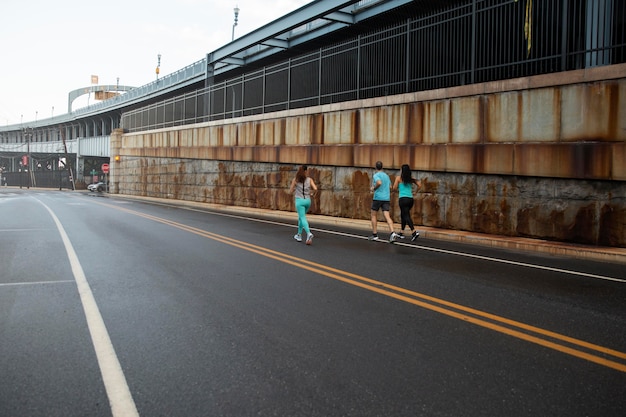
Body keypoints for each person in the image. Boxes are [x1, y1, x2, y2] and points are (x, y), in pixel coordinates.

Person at [369, 161, 398, 243]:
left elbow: (379, 182)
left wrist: (374, 188)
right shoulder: (386, 176)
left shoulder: (376, 175)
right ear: (382, 167)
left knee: (373, 215)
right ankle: (392, 232)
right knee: (387, 215)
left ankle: (375, 235)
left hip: (378, 197)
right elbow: (390, 186)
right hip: (386, 198)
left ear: (375, 167)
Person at [290, 165, 318, 245]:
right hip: (307, 201)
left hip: (299, 201)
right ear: (306, 171)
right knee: (301, 218)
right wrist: (312, 193)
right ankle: (299, 235)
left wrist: (295, 189)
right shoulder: (309, 180)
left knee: (302, 217)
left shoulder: (295, 180)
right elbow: (315, 188)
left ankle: (308, 233)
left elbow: (291, 191)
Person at [392, 164, 421, 241]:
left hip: (403, 199)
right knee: (403, 214)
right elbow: (419, 185)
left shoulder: (398, 178)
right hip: (410, 199)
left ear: (402, 170)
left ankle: (414, 232)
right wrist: (415, 192)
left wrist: (397, 188)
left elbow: (394, 188)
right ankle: (401, 232)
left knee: (406, 215)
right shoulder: (410, 179)